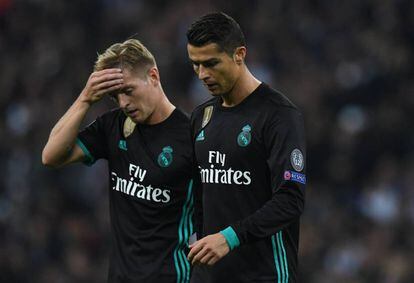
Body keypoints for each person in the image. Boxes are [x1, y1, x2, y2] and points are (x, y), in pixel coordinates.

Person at [42, 39, 194, 283]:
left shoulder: (193, 137)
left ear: (153, 76)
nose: (123, 103)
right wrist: (85, 99)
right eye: (114, 96)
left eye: (128, 90)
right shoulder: (113, 126)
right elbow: (50, 155)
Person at [186, 12, 306, 282]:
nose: (202, 74)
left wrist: (230, 237)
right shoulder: (201, 117)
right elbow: (198, 197)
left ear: (239, 54)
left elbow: (290, 199)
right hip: (209, 275)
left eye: (211, 63)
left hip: (263, 273)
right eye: (195, 65)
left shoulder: (279, 115)